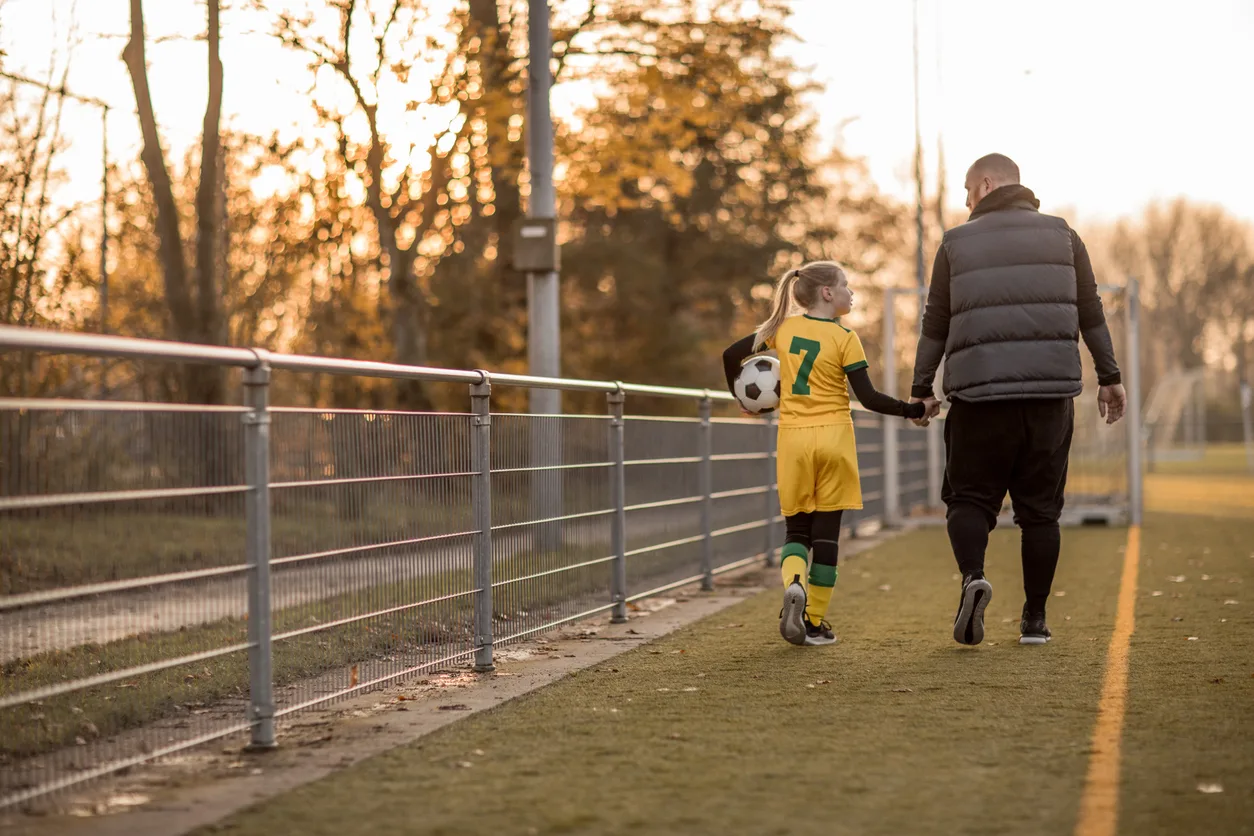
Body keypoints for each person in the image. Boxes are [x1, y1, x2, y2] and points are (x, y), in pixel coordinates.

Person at [908, 153, 1126, 647]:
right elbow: (1091, 312)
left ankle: (972, 578)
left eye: (967, 192)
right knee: (1041, 513)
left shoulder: (955, 243)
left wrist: (922, 389)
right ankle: (1035, 620)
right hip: (1049, 398)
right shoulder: (1064, 236)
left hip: (979, 397)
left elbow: (935, 323)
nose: (965, 203)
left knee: (968, 499)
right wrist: (1110, 376)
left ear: (985, 184)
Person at [723, 261, 926, 647]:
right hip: (834, 440)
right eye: (846, 285)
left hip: (794, 440)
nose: (852, 292)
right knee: (828, 537)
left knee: (797, 530)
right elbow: (868, 398)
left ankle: (794, 584)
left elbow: (730, 356)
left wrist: (743, 401)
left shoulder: (781, 329)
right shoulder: (845, 337)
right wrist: (913, 410)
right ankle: (814, 621)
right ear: (828, 293)